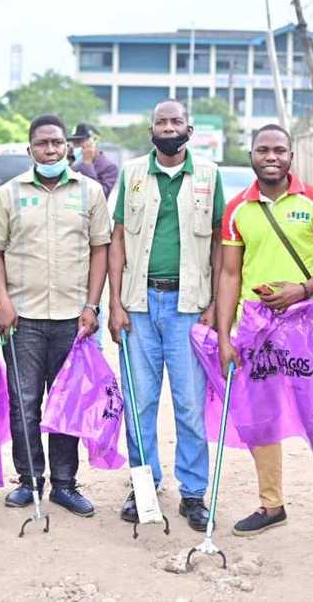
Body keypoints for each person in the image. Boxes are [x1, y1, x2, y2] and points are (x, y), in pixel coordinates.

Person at [215, 124, 313, 561]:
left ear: (291, 155)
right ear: (251, 154)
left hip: (306, 327)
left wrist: (305, 288)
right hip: (255, 329)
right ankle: (271, 504)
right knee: (261, 419)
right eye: (262, 149)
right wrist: (225, 335)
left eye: (279, 149)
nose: (270, 156)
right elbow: (230, 274)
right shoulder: (238, 209)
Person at [0, 113, 111, 517]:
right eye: (43, 144)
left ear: (68, 148)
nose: (51, 150)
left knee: (66, 402)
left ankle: (64, 483)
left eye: (57, 143)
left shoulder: (90, 193)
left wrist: (92, 305)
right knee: (24, 402)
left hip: (74, 319)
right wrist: (1, 300)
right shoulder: (9, 193)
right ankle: (29, 480)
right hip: (23, 319)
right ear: (30, 150)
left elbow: (100, 250)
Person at [107, 99, 222, 532]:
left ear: (189, 129)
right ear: (151, 128)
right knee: (140, 404)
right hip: (138, 306)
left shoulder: (208, 176)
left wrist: (213, 304)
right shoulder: (133, 173)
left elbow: (218, 242)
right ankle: (143, 488)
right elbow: (117, 238)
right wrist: (114, 303)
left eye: (176, 121)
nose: (168, 127)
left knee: (190, 405)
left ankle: (193, 493)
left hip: (188, 309)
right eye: (161, 121)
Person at [68, 122, 119, 197]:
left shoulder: (109, 167)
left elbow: (101, 195)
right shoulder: (71, 161)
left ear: (94, 141)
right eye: (75, 142)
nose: (76, 145)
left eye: (80, 141)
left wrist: (88, 164)